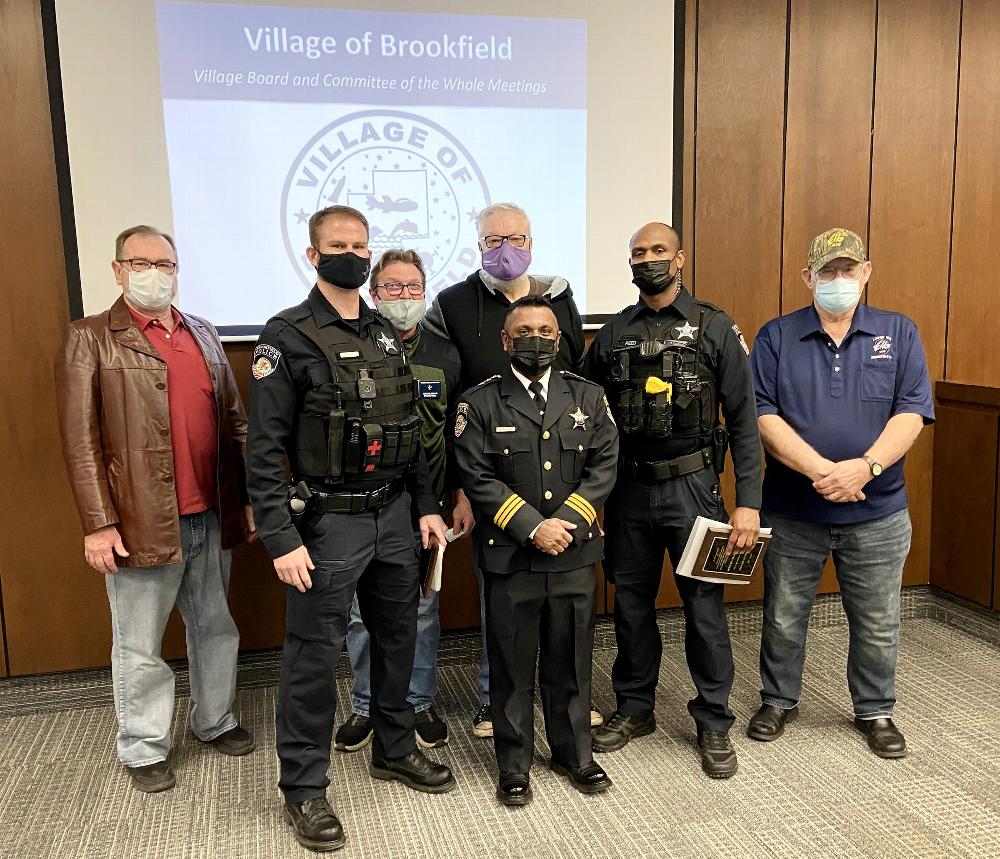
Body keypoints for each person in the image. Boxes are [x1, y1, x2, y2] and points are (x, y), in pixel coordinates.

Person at [246, 205, 454, 853]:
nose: (353, 255)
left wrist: (426, 505)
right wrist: (280, 538)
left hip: (394, 514)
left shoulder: (385, 331)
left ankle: (394, 747)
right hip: (327, 522)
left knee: (397, 638)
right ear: (313, 255)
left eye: (361, 246)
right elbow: (263, 450)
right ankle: (304, 786)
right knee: (313, 656)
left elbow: (409, 429)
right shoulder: (287, 336)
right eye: (339, 245)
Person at [54, 225, 255, 794]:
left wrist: (248, 500)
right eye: (140, 263)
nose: (154, 274)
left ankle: (216, 721)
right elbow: (80, 442)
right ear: (117, 270)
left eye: (165, 264)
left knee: (215, 627)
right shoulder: (89, 338)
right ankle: (144, 746)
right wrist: (98, 524)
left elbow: (235, 423)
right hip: (140, 520)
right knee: (139, 642)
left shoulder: (204, 333)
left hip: (211, 512)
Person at [584, 222, 762, 779]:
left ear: (680, 258)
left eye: (659, 250)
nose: (648, 259)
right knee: (631, 606)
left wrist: (748, 503)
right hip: (628, 491)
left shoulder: (715, 327)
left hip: (694, 489)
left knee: (704, 607)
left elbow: (745, 422)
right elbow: (585, 417)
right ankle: (635, 708)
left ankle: (714, 719)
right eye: (638, 252)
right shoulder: (612, 334)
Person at [748, 227, 933, 759]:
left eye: (848, 270)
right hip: (793, 510)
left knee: (878, 621)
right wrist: (823, 472)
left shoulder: (898, 332)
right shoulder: (776, 336)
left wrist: (864, 468)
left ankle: (875, 709)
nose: (838, 280)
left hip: (878, 512)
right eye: (827, 271)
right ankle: (778, 700)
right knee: (784, 614)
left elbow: (911, 411)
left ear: (866, 272)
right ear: (808, 277)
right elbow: (761, 413)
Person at [423, 202, 591, 738]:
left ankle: (566, 702)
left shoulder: (558, 297)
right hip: (491, 477)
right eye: (494, 240)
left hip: (562, 472)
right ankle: (492, 700)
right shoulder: (451, 304)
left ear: (531, 242)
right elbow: (446, 401)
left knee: (564, 599)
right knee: (500, 598)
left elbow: (578, 382)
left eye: (516, 239)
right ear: (478, 246)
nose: (506, 249)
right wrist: (461, 489)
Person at [454, 296, 619, 806]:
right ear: (506, 341)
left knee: (571, 661)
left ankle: (574, 754)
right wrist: (532, 528)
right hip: (511, 557)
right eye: (524, 331)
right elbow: (476, 475)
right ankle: (514, 763)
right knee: (511, 664)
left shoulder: (588, 397)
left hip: (572, 553)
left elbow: (604, 465)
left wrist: (564, 524)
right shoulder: (479, 402)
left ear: (560, 338)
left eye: (546, 331)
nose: (536, 340)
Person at [334, 249, 472, 754]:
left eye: (413, 287)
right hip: (368, 504)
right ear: (373, 294)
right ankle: (366, 703)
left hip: (429, 507)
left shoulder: (446, 354)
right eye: (392, 287)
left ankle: (417, 702)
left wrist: (460, 493)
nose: (404, 296)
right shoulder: (353, 347)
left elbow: (458, 431)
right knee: (361, 613)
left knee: (422, 610)